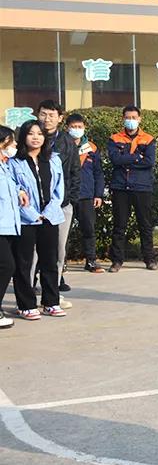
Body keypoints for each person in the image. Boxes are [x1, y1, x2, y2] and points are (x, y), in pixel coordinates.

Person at [10, 121, 67, 319]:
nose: (36, 137)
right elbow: (13, 189)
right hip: (26, 219)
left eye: (40, 133)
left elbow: (59, 189)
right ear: (23, 137)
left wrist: (49, 212)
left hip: (50, 217)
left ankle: (51, 302)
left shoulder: (54, 159)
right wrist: (32, 214)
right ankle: (26, 305)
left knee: (50, 261)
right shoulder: (14, 162)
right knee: (24, 263)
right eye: (31, 133)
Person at [34, 100, 80, 294]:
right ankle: (28, 289)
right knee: (32, 251)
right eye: (43, 114)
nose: (47, 119)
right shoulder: (30, 136)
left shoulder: (67, 142)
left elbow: (75, 172)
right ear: (37, 115)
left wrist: (69, 200)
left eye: (52, 115)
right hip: (34, 206)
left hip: (61, 204)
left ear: (60, 118)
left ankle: (52, 291)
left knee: (58, 249)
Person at [107, 105, 157, 272]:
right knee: (119, 225)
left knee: (145, 225)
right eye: (128, 117)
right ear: (123, 119)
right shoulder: (115, 138)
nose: (131, 120)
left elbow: (149, 161)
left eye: (134, 117)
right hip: (120, 186)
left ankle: (149, 259)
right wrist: (137, 157)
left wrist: (126, 159)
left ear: (139, 119)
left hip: (142, 187)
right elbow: (115, 160)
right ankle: (117, 260)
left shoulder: (148, 139)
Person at [65, 113, 106, 273]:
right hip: (66, 195)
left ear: (84, 128)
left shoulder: (92, 148)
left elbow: (98, 173)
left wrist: (98, 194)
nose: (76, 129)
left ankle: (91, 261)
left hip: (86, 195)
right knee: (64, 231)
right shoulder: (61, 145)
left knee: (88, 229)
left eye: (79, 127)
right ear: (67, 128)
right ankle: (62, 262)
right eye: (73, 127)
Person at [0, 126, 25, 329]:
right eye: (12, 141)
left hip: (8, 225)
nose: (15, 145)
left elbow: (10, 186)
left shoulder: (5, 165)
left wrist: (19, 191)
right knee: (7, 266)